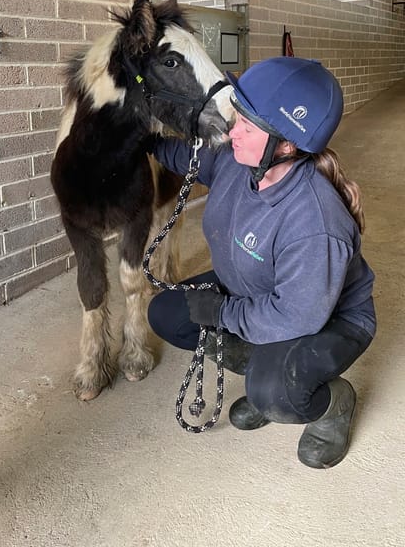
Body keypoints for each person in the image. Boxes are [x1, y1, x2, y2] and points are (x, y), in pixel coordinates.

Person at [147, 56, 375, 469]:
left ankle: (330, 404)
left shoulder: (315, 222)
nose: (233, 129)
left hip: (323, 319)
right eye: (239, 117)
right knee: (168, 314)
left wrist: (224, 311)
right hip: (254, 288)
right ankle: (267, 373)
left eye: (247, 126)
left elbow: (295, 315)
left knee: (275, 392)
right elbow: (186, 157)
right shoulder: (240, 160)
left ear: (286, 145)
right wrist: (136, 134)